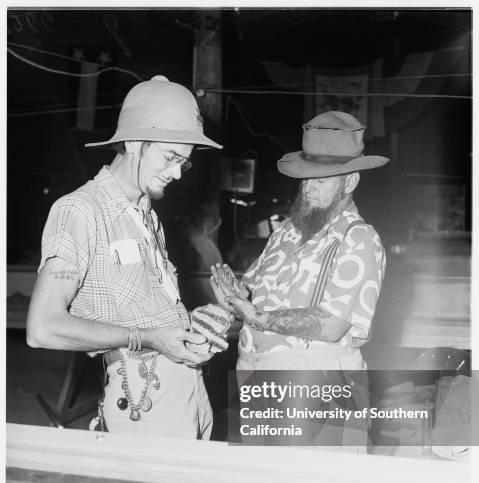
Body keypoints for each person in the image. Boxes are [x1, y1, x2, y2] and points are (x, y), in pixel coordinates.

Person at [27, 75, 226, 439]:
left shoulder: (146, 215)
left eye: (185, 162)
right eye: (170, 157)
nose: (177, 172)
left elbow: (143, 311)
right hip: (143, 400)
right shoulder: (80, 211)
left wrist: (190, 326)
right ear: (134, 142)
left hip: (189, 392)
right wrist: (148, 338)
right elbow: (43, 328)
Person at [210, 111, 389, 449]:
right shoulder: (288, 231)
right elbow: (251, 291)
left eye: (321, 179)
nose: (308, 188)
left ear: (349, 182)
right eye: (305, 178)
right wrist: (235, 297)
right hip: (257, 378)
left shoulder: (358, 238)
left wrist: (256, 317)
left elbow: (332, 324)